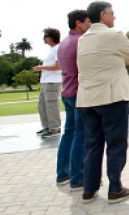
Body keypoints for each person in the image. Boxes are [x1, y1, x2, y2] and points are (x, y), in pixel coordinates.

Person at [77, 1, 129, 205]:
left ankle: (89, 189)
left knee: (92, 144)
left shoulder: (83, 39)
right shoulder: (114, 36)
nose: (115, 17)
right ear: (103, 16)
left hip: (87, 99)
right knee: (116, 143)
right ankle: (115, 188)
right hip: (112, 97)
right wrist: (119, 60)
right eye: (112, 13)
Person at [55, 10, 92, 190]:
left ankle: (63, 173)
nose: (90, 25)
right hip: (78, 94)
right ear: (78, 23)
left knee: (69, 133)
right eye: (88, 22)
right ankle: (78, 177)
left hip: (66, 93)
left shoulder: (64, 43)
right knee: (81, 135)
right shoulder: (80, 42)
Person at [34, 28, 62, 138]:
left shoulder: (57, 49)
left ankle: (54, 128)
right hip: (45, 81)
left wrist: (41, 67)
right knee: (42, 105)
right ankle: (46, 126)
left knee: (51, 105)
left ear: (50, 37)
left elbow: (58, 66)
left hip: (53, 81)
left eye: (45, 36)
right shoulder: (50, 50)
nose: (44, 38)